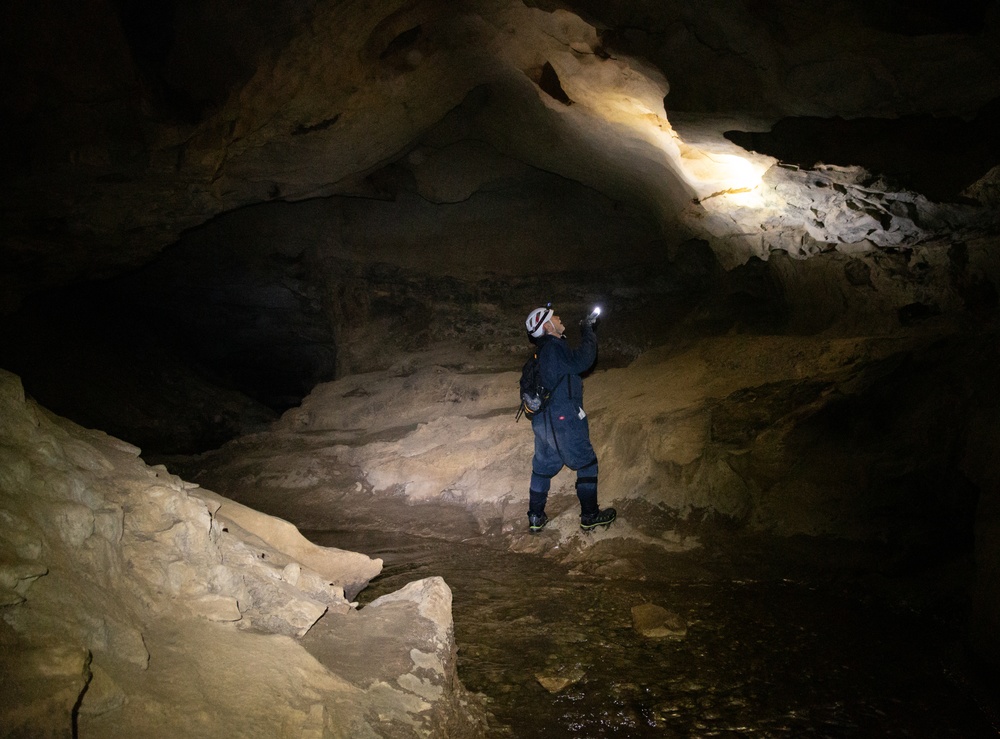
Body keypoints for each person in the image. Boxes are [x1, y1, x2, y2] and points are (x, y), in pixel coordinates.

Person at [523, 304, 617, 533]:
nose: (559, 317)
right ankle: (590, 516)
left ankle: (535, 518)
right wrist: (587, 330)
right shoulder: (554, 348)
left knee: (542, 469)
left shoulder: (537, 356)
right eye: (554, 316)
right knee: (586, 463)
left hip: (542, 423)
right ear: (547, 326)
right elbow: (584, 359)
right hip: (563, 419)